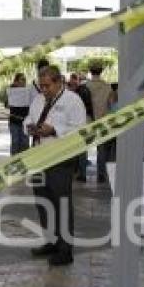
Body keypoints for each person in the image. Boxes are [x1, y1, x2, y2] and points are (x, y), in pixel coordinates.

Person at [25, 65, 87, 266]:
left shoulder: (73, 101)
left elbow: (80, 130)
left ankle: (65, 250)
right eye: (41, 86)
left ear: (59, 82)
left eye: (47, 86)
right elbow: (29, 117)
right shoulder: (38, 99)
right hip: (38, 157)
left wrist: (54, 130)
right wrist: (30, 126)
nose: (44, 90)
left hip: (60, 160)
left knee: (61, 204)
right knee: (43, 203)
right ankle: (51, 241)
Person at [85, 63, 114, 183]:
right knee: (101, 148)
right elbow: (111, 103)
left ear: (91, 71)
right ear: (101, 71)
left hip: (88, 120)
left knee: (83, 147)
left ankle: (81, 172)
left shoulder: (85, 86)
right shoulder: (108, 87)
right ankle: (101, 173)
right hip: (103, 119)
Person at [68, 73, 93, 182]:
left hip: (80, 122)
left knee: (80, 148)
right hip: (84, 120)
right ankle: (79, 170)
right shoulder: (84, 90)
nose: (72, 83)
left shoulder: (79, 92)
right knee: (81, 147)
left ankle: (81, 172)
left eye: (74, 80)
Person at [7, 72, 32, 155]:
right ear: (16, 81)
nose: (24, 81)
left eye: (25, 79)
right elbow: (6, 104)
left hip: (25, 121)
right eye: (22, 79)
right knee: (15, 143)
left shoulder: (28, 91)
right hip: (14, 121)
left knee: (25, 144)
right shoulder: (12, 91)